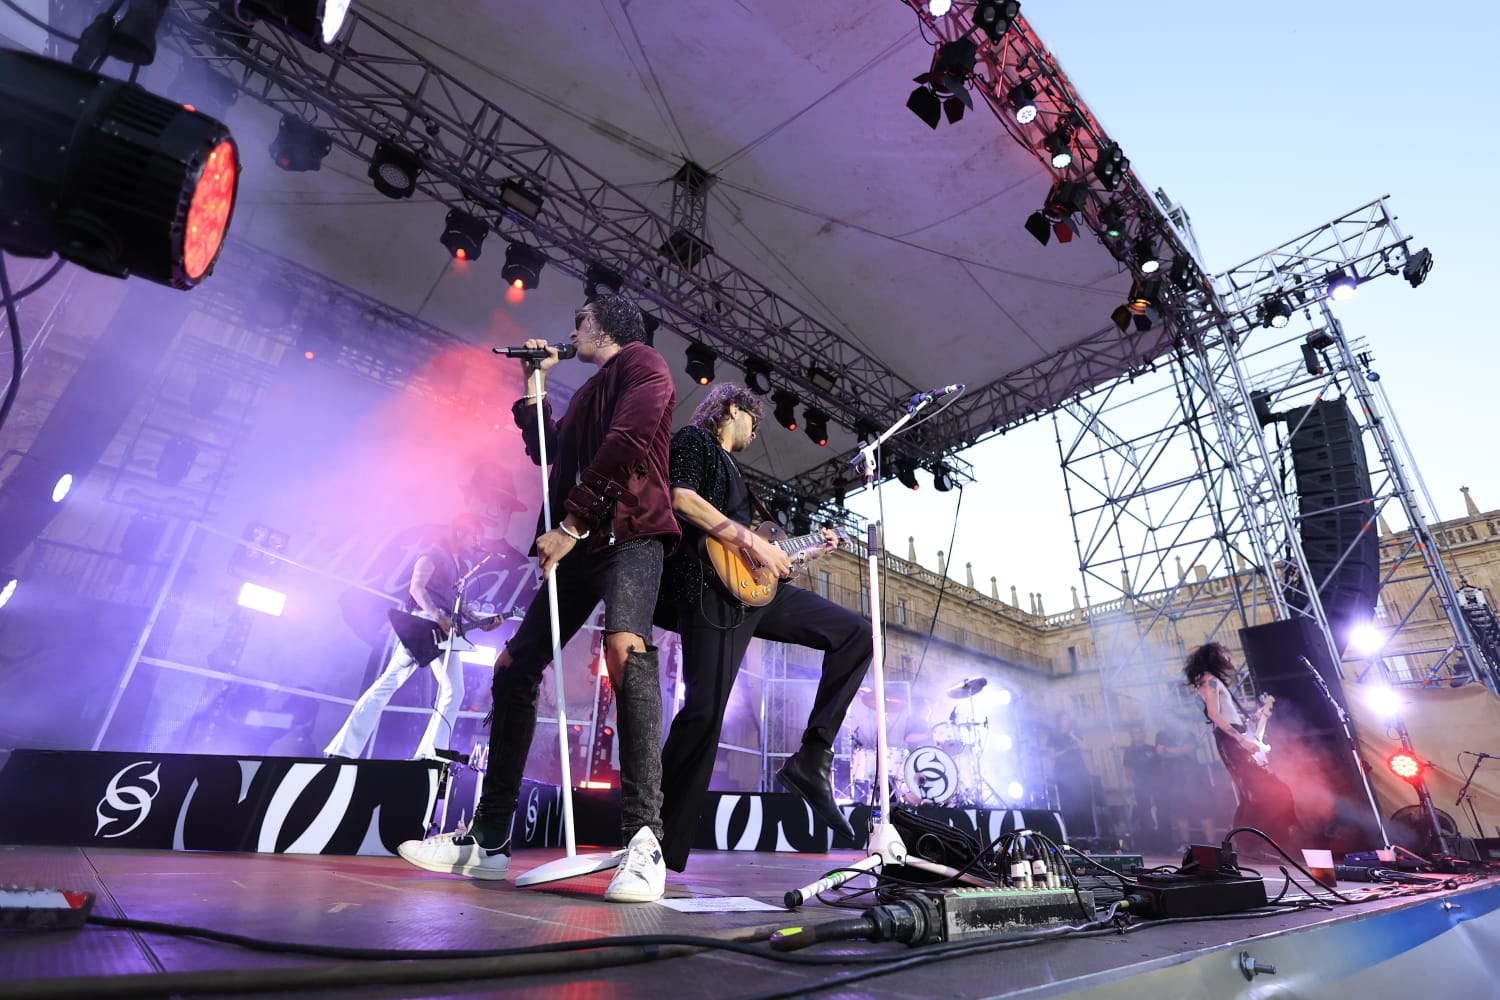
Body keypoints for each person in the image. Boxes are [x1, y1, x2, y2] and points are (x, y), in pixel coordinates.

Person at [397, 293, 679, 903]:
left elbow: (629, 440)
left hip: (629, 535)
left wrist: (572, 523)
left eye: (580, 319)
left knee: (627, 653)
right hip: (580, 543)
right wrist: (533, 386)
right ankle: (490, 838)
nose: (571, 328)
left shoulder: (643, 365)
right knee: (514, 666)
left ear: (603, 324)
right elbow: (553, 458)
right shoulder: (583, 394)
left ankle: (644, 840)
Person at [657, 383, 871, 872]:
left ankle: (812, 756)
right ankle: (656, 843)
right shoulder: (694, 441)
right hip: (708, 589)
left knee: (855, 633)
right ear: (732, 410)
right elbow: (681, 498)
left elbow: (761, 549)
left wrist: (800, 549)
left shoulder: (737, 473)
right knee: (705, 713)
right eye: (754, 422)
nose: (755, 434)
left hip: (752, 593)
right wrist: (755, 545)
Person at [324, 514, 487, 761]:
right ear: (460, 532)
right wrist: (436, 616)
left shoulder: (459, 566)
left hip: (445, 632)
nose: (476, 542)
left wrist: (483, 622)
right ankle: (342, 750)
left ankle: (431, 752)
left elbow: (460, 605)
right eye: (473, 535)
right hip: (423, 625)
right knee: (388, 683)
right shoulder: (433, 554)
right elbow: (416, 588)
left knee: (455, 690)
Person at [1183, 642, 1300, 849]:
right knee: (1265, 789)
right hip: (1230, 742)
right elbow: (1214, 714)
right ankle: (1255, 843)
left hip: (1234, 738)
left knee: (1257, 790)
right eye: (1223, 653)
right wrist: (1241, 740)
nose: (1228, 657)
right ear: (1213, 657)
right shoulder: (1209, 681)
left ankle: (1255, 843)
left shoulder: (1215, 681)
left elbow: (1228, 715)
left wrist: (1255, 717)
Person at [1046, 711, 1095, 842]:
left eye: (1068, 719)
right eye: (1064, 719)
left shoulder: (1075, 733)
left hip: (1079, 772)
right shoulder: (1053, 736)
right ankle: (1072, 837)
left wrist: (1073, 736)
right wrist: (1065, 751)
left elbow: (1085, 747)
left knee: (1085, 802)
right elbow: (1052, 755)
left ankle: (1089, 836)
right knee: (1068, 804)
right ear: (1059, 721)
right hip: (1063, 774)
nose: (1066, 721)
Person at [1120, 723, 1161, 847]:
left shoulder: (1151, 749)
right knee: (1144, 812)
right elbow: (1128, 770)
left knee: (1159, 810)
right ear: (1132, 736)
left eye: (1141, 732)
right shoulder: (1129, 751)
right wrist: (1131, 786)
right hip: (1140, 785)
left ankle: (1162, 838)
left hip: (1155, 784)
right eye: (1136, 732)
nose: (1139, 735)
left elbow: (1159, 766)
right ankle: (1149, 841)